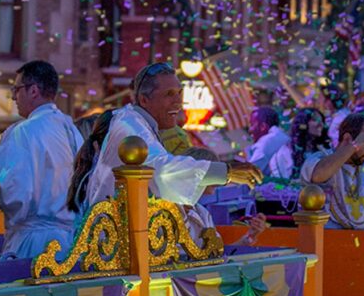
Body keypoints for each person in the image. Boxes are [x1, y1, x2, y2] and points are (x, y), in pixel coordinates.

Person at [81, 62, 262, 234]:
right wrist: (226, 172)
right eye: (169, 94)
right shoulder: (131, 127)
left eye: (179, 93)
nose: (178, 102)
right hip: (113, 241)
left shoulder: (140, 124)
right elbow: (161, 169)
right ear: (144, 100)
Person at [0, 60, 83, 260]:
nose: (14, 97)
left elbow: (15, 192)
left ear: (33, 90)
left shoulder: (22, 132)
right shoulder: (72, 130)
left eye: (17, 89)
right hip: (71, 244)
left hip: (33, 243)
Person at [300, 113, 364, 230]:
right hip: (327, 240)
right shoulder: (320, 158)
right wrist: (354, 146)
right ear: (347, 139)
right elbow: (318, 175)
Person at [280, 108, 330, 182]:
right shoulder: (286, 151)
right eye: (315, 120)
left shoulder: (324, 150)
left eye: (322, 121)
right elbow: (281, 182)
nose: (321, 124)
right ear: (303, 123)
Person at [245, 107, 290, 178]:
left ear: (263, 126)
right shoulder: (281, 135)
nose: (250, 130)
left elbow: (249, 173)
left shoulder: (266, 142)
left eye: (252, 124)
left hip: (280, 187)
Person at [320, 83, 351, 148]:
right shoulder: (332, 116)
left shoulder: (342, 117)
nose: (319, 101)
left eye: (320, 97)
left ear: (329, 100)